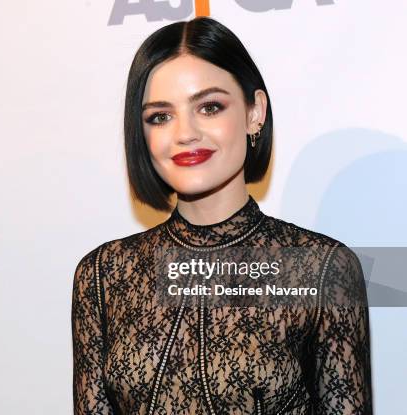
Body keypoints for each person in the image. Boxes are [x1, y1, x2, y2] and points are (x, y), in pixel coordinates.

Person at [71, 16, 372, 415]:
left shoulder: (320, 270)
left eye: (209, 107)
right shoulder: (103, 275)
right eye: (160, 116)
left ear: (254, 112)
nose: (185, 133)